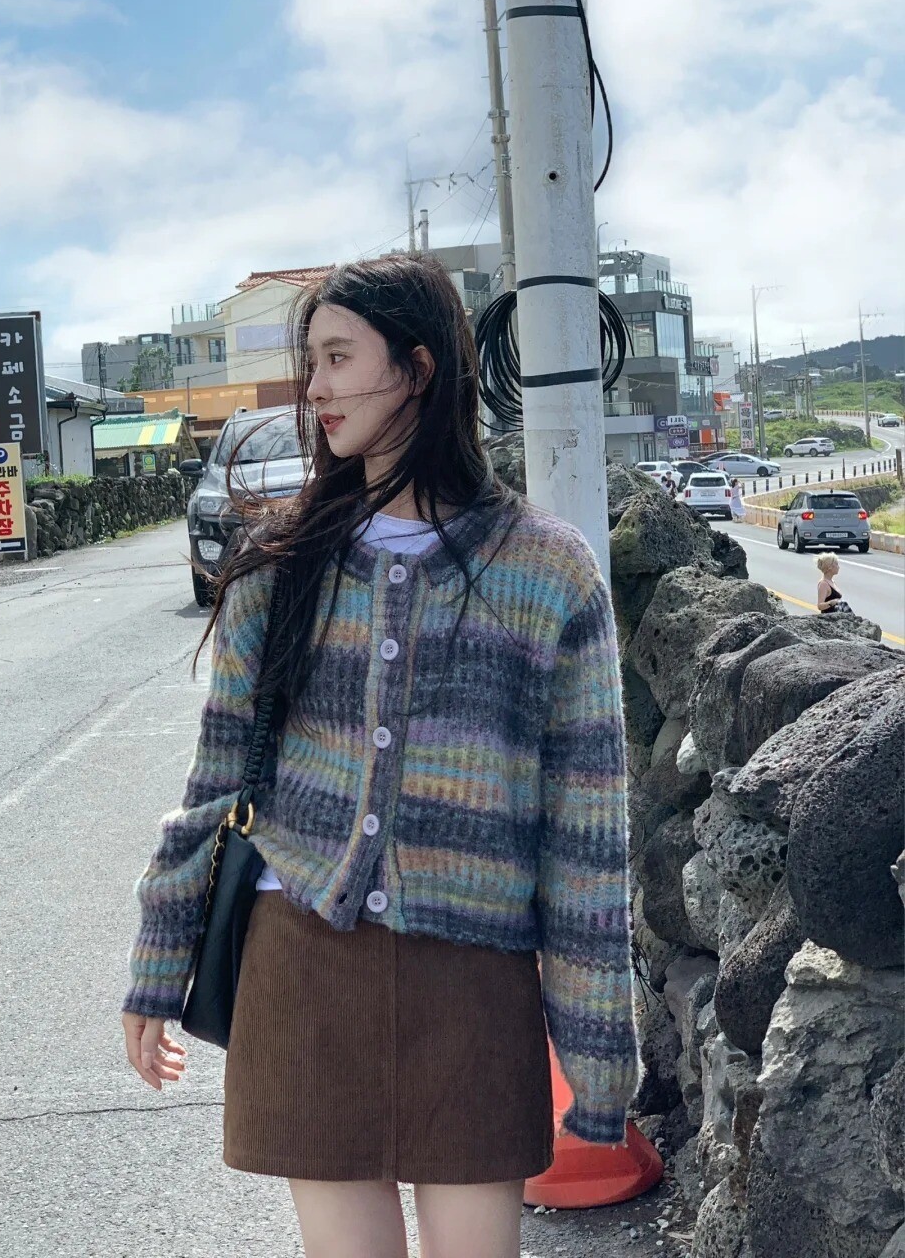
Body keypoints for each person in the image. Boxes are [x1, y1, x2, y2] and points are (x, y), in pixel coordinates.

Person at [120, 255, 639, 1258]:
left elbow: (586, 839)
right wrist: (157, 967)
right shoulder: (283, 566)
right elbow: (216, 781)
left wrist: (600, 1058)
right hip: (304, 961)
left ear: (417, 367)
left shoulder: (548, 572)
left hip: (474, 980)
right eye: (308, 362)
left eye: (336, 358)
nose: (313, 390)